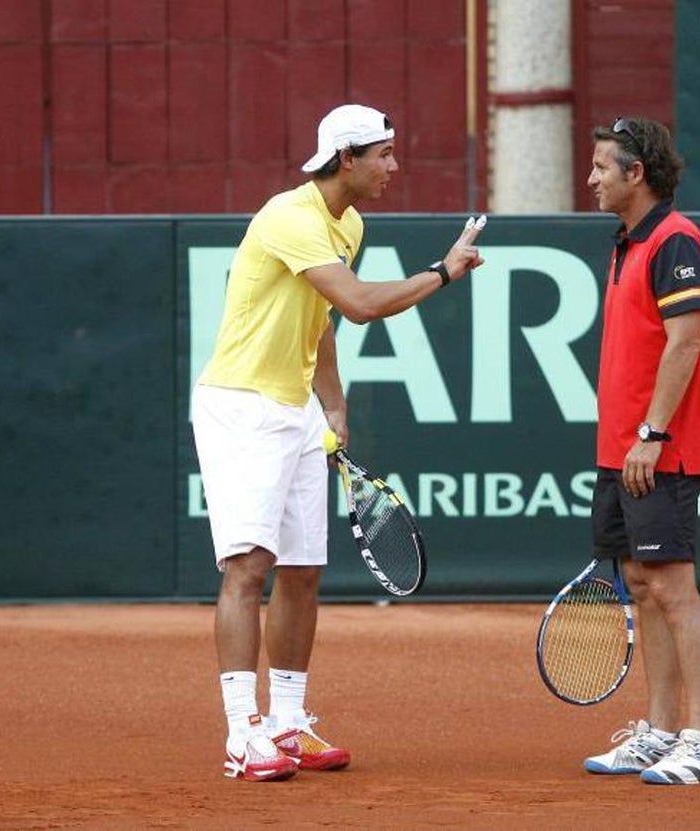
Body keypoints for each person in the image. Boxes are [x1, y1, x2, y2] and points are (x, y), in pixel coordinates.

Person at [191, 103, 484, 782]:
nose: (393, 165)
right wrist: (441, 273)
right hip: (240, 405)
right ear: (346, 159)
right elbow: (357, 304)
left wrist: (332, 402)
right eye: (383, 153)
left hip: (294, 408)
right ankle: (243, 733)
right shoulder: (289, 216)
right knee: (249, 567)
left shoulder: (350, 223)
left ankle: (288, 722)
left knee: (302, 568)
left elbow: (321, 319)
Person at [580, 116, 700, 785]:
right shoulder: (627, 242)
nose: (590, 179)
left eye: (600, 167)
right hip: (622, 449)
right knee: (642, 586)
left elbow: (686, 342)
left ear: (635, 173)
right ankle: (660, 728)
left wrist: (653, 434)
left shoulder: (676, 240)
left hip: (659, 449)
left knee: (673, 588)